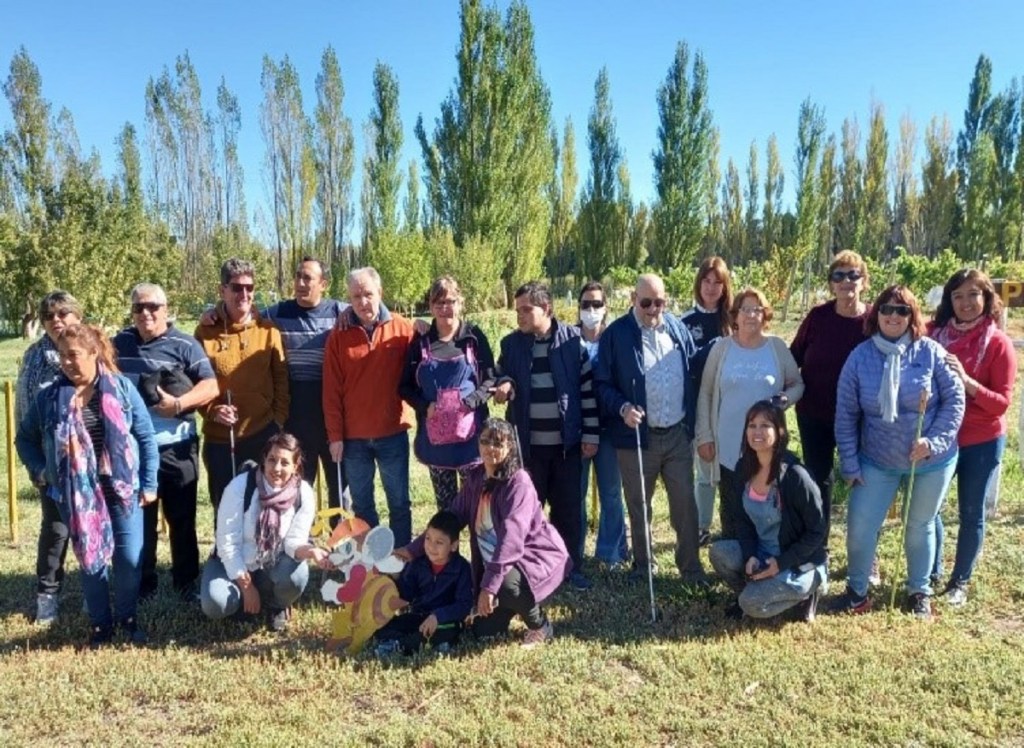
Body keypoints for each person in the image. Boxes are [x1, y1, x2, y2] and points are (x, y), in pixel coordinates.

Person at [16, 324, 159, 647]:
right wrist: (41, 471)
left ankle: (128, 619)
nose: (66, 362)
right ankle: (100, 626)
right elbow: (24, 438)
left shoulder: (121, 388)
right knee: (91, 561)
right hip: (77, 497)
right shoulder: (51, 399)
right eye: (63, 356)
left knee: (129, 561)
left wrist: (149, 482)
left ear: (94, 353)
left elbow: (146, 437)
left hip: (122, 490)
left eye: (74, 355)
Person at [835, 285, 965, 619]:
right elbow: (846, 414)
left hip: (931, 459)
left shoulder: (932, 353)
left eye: (902, 310)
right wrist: (850, 463)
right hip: (876, 459)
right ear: (876, 314)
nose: (894, 316)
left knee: (918, 525)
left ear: (913, 316)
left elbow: (955, 401)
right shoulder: (859, 357)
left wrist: (933, 442)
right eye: (887, 309)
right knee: (861, 527)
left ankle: (918, 591)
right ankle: (857, 591)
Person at [398, 418, 570, 648]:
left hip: (531, 559)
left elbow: (511, 540)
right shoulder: (477, 478)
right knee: (482, 631)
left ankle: (539, 625)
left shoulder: (519, 483)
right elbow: (452, 517)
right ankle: (511, 604)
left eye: (498, 443)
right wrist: (411, 551)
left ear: (510, 447)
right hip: (496, 564)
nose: (490, 448)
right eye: (485, 441)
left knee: (506, 584)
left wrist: (488, 587)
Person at [594, 273, 706, 584]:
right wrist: (623, 408)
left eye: (660, 302)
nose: (653, 308)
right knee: (639, 505)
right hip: (636, 439)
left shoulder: (676, 327)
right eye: (646, 302)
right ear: (633, 299)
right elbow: (602, 384)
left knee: (685, 504)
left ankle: (691, 569)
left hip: (676, 435)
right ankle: (643, 566)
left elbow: (693, 369)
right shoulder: (616, 335)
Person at [114, 283, 219, 600]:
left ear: (166, 308)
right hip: (132, 451)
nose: (146, 313)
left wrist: (179, 404)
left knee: (182, 518)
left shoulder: (185, 344)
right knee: (139, 520)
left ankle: (186, 582)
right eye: (139, 307)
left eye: (153, 307)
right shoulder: (117, 345)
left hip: (176, 447)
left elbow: (211, 386)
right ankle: (143, 584)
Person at [492, 281, 599, 590]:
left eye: (527, 310)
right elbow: (498, 373)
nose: (520, 316)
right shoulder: (511, 344)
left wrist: (590, 434)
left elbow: (587, 392)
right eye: (517, 310)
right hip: (527, 450)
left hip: (566, 448)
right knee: (526, 514)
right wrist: (504, 381)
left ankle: (570, 569)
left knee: (569, 512)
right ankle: (532, 571)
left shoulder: (571, 342)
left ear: (547, 308)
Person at [928, 269, 1016, 606]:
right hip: (940, 436)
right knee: (928, 507)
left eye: (973, 295)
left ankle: (959, 582)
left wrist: (968, 382)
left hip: (980, 439)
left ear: (986, 299)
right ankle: (931, 572)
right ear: (949, 301)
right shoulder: (935, 336)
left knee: (970, 511)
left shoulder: (997, 343)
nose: (965, 303)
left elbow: (1002, 404)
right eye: (958, 296)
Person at [695, 287, 803, 540]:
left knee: (767, 506)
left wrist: (785, 399)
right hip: (729, 444)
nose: (751, 315)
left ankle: (766, 557)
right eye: (745, 309)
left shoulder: (776, 347)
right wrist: (705, 436)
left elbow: (797, 384)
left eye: (757, 309)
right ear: (736, 315)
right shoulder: (722, 348)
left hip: (766, 447)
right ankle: (735, 562)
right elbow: (706, 393)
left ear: (765, 315)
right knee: (732, 509)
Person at [709, 401, 827, 621]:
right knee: (719, 552)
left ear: (780, 431)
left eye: (765, 426)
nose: (757, 432)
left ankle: (806, 595)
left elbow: (817, 531)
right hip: (763, 553)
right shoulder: (743, 468)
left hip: (797, 562)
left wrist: (780, 563)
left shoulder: (796, 476)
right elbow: (743, 522)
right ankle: (756, 590)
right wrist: (750, 555)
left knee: (749, 605)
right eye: (752, 425)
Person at [200, 432, 329, 631]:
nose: (277, 468)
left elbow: (293, 542)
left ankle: (277, 606)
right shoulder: (240, 487)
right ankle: (242, 601)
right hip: (233, 562)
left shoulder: (303, 493)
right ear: (264, 460)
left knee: (297, 574)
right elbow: (227, 543)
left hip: (271, 562)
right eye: (272, 460)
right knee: (215, 604)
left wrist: (311, 551)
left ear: (296, 466)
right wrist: (246, 586)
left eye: (285, 463)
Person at [323, 267, 415, 546]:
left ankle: (401, 560)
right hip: (354, 440)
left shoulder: (403, 329)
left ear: (380, 293)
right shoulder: (339, 335)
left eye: (368, 294)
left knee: (399, 502)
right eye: (356, 296)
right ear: (348, 299)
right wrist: (335, 436)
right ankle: (373, 564)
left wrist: (424, 327)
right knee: (363, 507)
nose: (363, 302)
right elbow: (331, 390)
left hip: (392, 433)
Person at [790, 250, 871, 547]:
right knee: (819, 480)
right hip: (815, 414)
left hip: (861, 418)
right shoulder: (817, 317)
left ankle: (865, 551)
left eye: (854, 275)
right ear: (831, 284)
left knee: (862, 482)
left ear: (864, 282)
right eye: (839, 275)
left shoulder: (875, 320)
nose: (847, 281)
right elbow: (793, 357)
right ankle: (818, 546)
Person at [195, 258, 289, 509]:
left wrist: (277, 421)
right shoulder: (205, 332)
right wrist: (212, 410)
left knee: (263, 506)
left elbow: (281, 378)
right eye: (236, 288)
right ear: (222, 290)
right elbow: (196, 382)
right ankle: (224, 550)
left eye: (249, 287)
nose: (244, 294)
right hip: (221, 438)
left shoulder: (268, 330)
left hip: (263, 434)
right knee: (225, 507)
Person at [15, 290, 83, 626]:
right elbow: (24, 413)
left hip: (88, 465)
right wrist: (38, 467)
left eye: (63, 314)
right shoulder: (34, 357)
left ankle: (93, 593)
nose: (57, 321)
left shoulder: (90, 350)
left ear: (77, 316)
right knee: (55, 531)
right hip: (51, 466)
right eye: (50, 316)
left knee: (90, 530)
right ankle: (47, 596)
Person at [399, 276, 496, 510]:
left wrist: (471, 402)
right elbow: (403, 387)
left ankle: (477, 548)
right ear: (431, 306)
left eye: (450, 301)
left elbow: (490, 378)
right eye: (438, 302)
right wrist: (425, 406)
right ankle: (449, 548)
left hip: (472, 442)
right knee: (447, 511)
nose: (445, 308)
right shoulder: (421, 343)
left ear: (460, 302)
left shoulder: (473, 338)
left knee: (477, 508)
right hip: (437, 446)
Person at [680, 257, 734, 546]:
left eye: (718, 282)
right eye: (707, 281)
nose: (711, 288)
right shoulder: (684, 322)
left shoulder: (732, 321)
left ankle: (731, 524)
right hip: (697, 405)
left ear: (726, 287)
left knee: (729, 467)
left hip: (729, 406)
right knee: (704, 466)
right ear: (698, 283)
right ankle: (701, 526)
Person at [576, 281, 628, 566]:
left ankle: (610, 553)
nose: (592, 309)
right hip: (578, 430)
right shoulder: (569, 339)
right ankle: (575, 551)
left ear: (606, 308)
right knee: (576, 494)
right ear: (579, 308)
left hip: (609, 430)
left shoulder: (614, 340)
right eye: (586, 304)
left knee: (610, 492)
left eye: (597, 304)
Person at [373, 509, 473, 655]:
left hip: (446, 622)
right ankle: (411, 643)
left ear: (453, 545)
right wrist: (393, 580)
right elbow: (406, 593)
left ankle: (401, 646)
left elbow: (464, 605)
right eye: (428, 538)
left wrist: (438, 616)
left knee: (443, 632)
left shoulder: (462, 568)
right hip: (419, 616)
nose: (431, 546)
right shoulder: (418, 564)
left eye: (439, 542)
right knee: (383, 626)